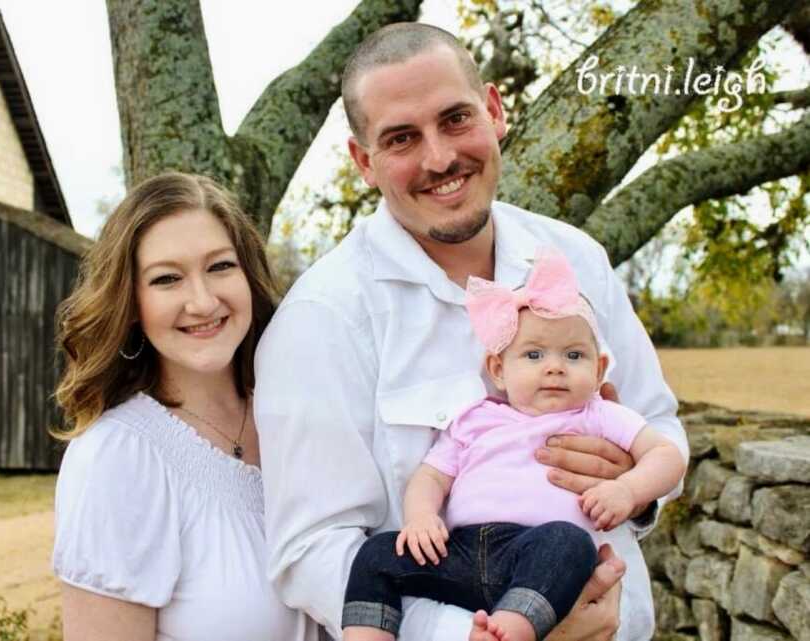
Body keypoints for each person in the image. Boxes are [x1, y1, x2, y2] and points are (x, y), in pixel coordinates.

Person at [254, 22, 688, 641]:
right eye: (402, 138)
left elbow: (661, 424)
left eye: (455, 119)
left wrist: (633, 490)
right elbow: (311, 550)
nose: (439, 158)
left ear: (494, 110)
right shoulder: (321, 320)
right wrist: (480, 634)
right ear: (364, 163)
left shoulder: (576, 258)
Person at [340, 249, 686, 641]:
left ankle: (511, 630)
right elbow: (431, 477)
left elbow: (665, 455)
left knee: (569, 542)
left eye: (573, 355)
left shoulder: (597, 414)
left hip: (539, 555)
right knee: (377, 554)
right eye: (533, 354)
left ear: (599, 369)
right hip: (461, 553)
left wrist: (628, 489)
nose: (554, 366)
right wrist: (421, 517)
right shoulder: (475, 419)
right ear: (499, 370)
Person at [51, 172, 318, 641]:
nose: (202, 300)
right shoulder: (118, 457)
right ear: (131, 303)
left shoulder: (302, 416)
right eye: (167, 279)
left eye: (219, 267)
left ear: (248, 276)